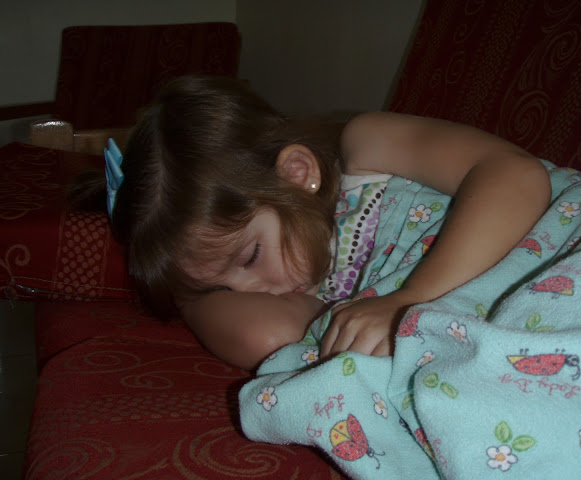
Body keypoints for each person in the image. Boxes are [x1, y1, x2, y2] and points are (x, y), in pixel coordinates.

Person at [75, 75, 551, 370]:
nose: (255, 291)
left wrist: (411, 298)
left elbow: (516, 175)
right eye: (223, 288)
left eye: (249, 256)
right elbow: (267, 337)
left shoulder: (368, 147)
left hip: (561, 239)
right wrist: (189, 289)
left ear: (298, 174)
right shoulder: (309, 291)